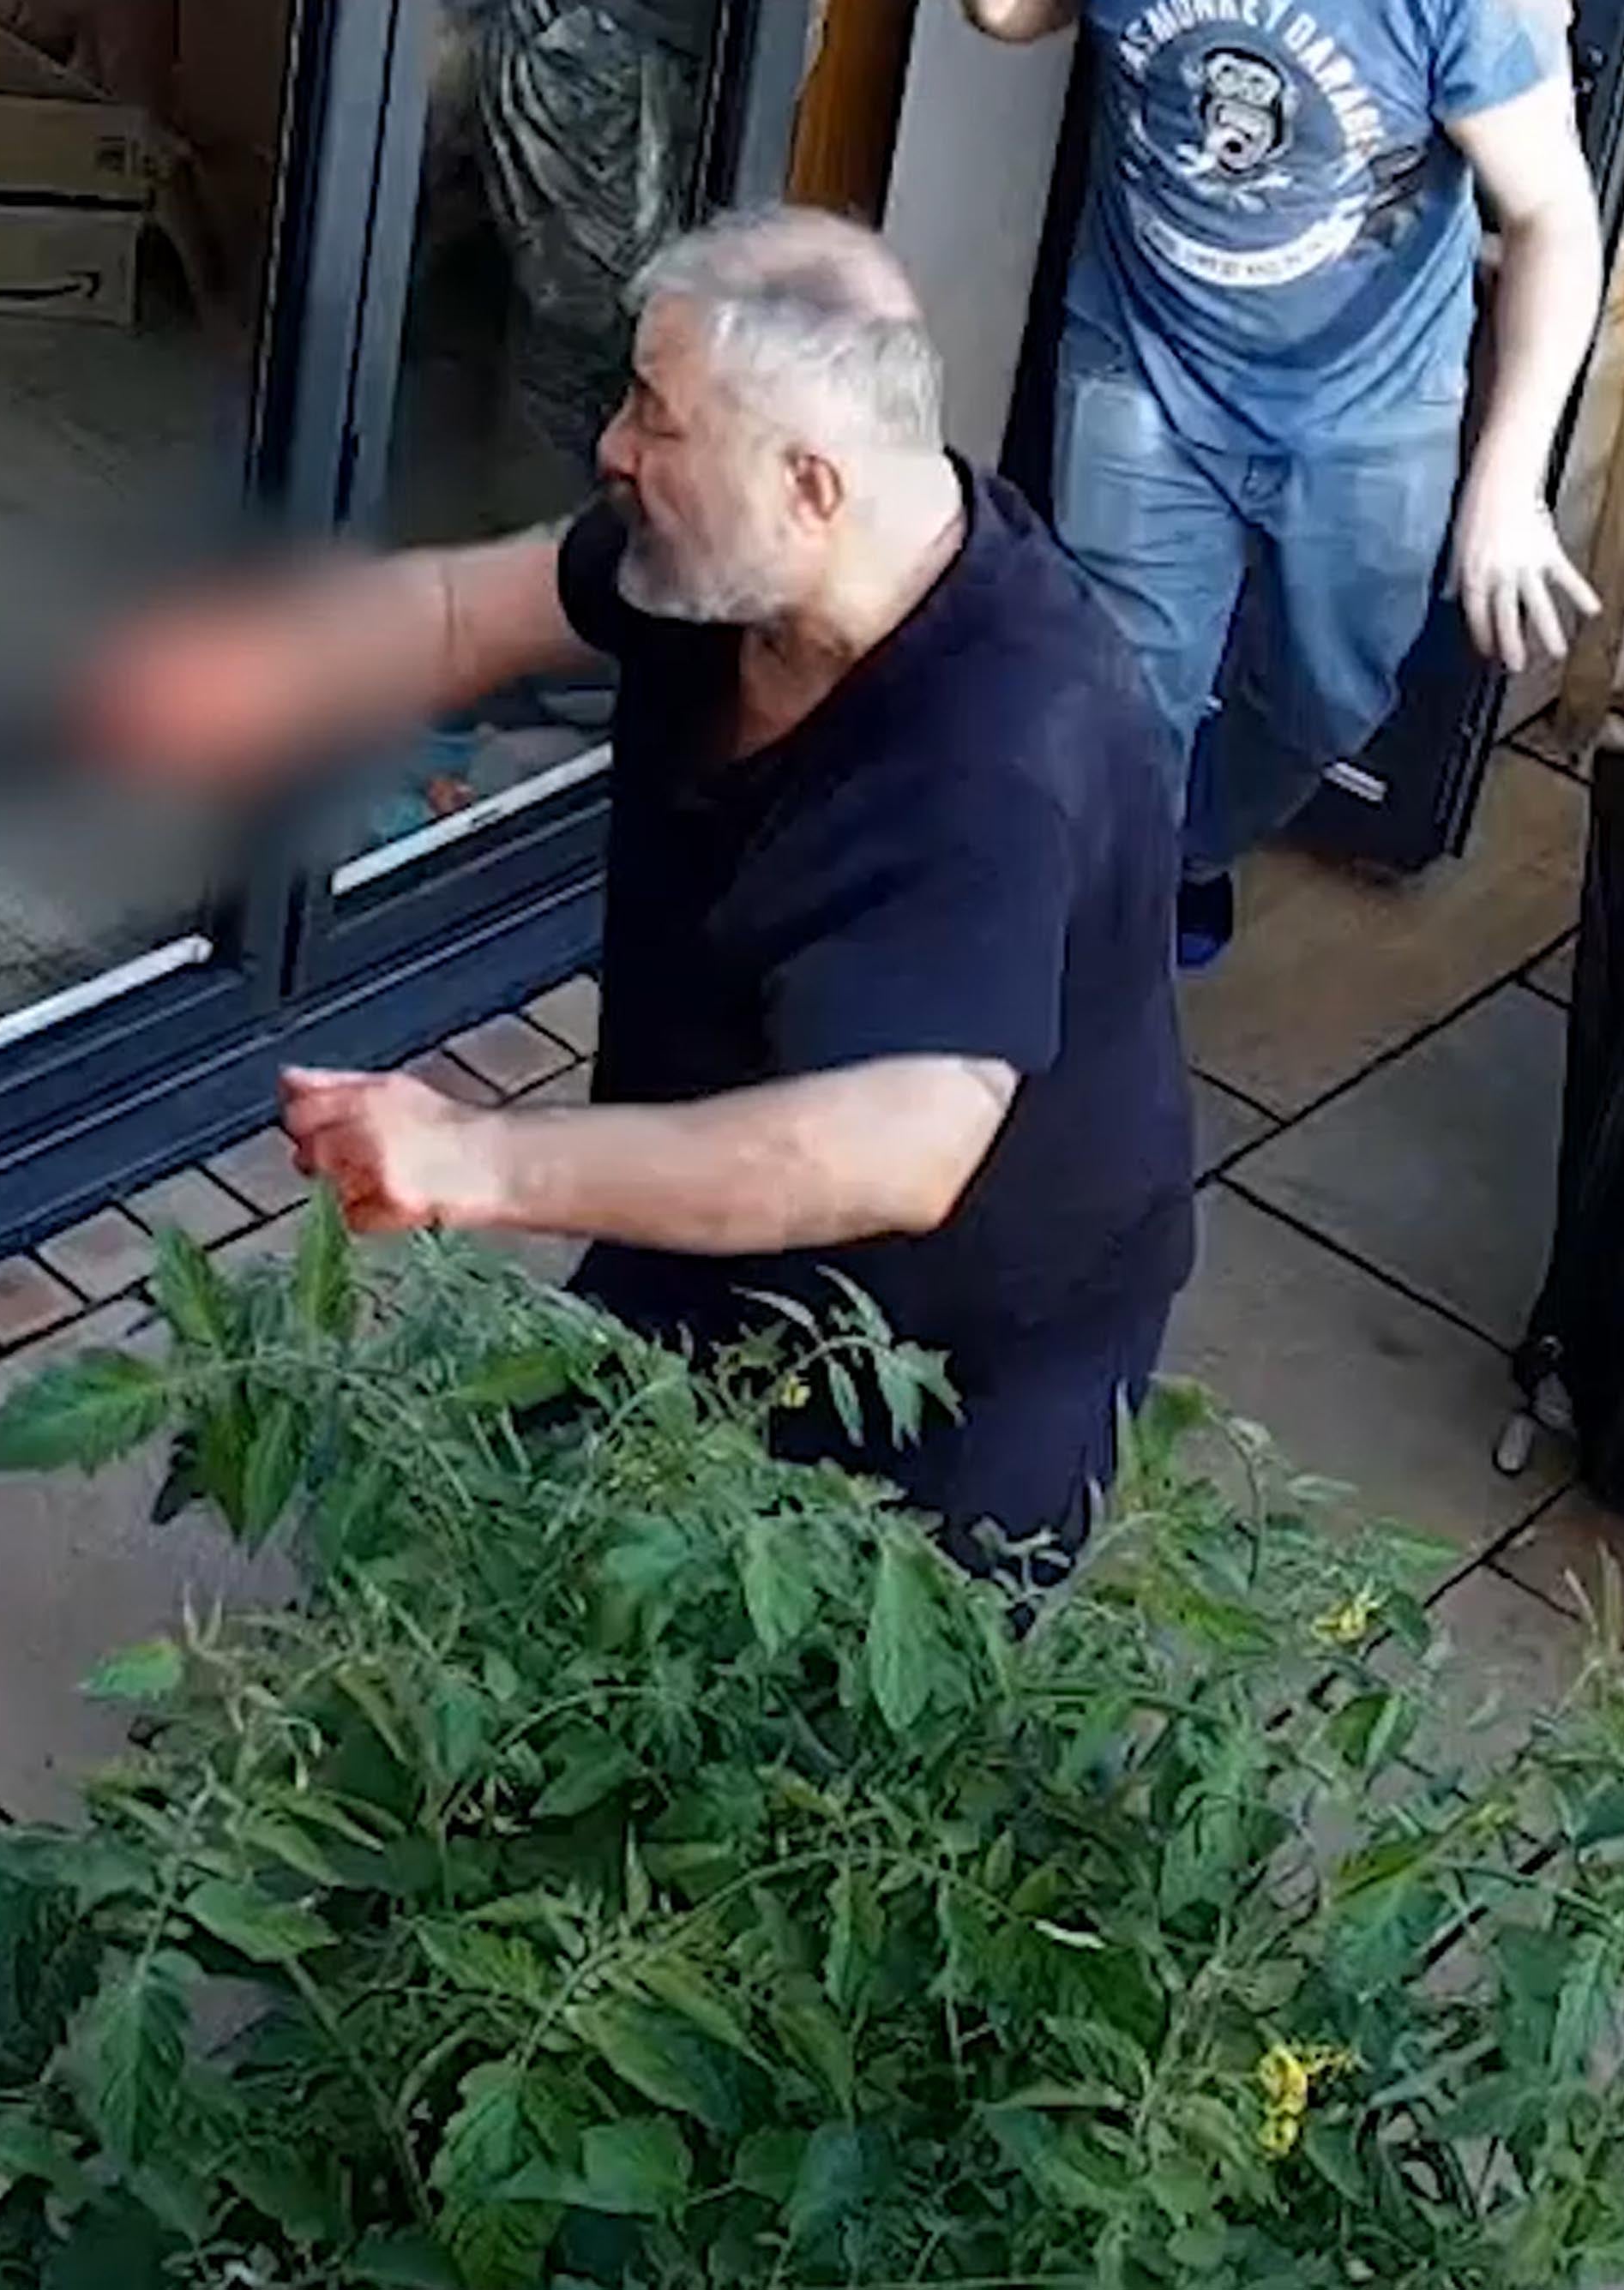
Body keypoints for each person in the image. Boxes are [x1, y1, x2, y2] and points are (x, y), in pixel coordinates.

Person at [79, 207, 1195, 1581]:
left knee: (816, 1747)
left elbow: (891, 1149)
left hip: (946, 1372)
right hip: (703, 1238)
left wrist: (474, 1158)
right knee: (560, 1579)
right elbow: (456, 613)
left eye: (659, 421)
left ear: (813, 483)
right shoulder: (721, 568)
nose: (613, 444)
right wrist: (274, 667)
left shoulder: (1001, 750)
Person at [966, 0, 1603, 965]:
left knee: (1330, 701)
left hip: (1370, 407)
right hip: (1144, 365)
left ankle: (1187, 848)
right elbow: (1005, 15)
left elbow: (1551, 215)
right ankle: (1106, 958)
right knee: (1124, 705)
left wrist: (1508, 486)